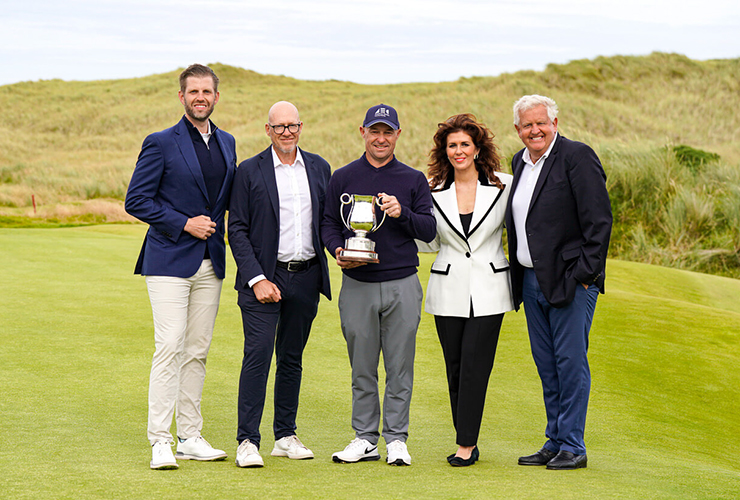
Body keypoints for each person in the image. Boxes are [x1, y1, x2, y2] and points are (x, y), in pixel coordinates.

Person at [125, 63, 236, 470]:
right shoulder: (160, 142)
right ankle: (160, 439)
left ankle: (189, 435)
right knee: (169, 346)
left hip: (211, 263)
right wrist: (183, 223)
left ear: (216, 97)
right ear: (182, 97)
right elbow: (136, 200)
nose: (200, 98)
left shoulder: (227, 143)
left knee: (197, 350)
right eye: (193, 92)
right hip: (169, 258)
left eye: (207, 92)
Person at [321, 104, 436, 466]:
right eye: (375, 131)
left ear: (398, 135)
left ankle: (396, 439)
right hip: (357, 283)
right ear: (363, 133)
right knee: (362, 367)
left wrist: (403, 214)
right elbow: (327, 223)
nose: (381, 138)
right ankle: (365, 437)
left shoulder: (413, 179)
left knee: (400, 366)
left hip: (402, 282)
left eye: (388, 132)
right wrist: (338, 249)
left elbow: (429, 230)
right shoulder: (343, 177)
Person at [505, 95, 612, 470]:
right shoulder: (520, 162)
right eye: (527, 125)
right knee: (547, 365)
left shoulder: (577, 157)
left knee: (570, 363)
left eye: (541, 123)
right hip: (531, 280)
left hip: (571, 281)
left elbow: (599, 222)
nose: (535, 130)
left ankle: (573, 446)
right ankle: (555, 440)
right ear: (517, 130)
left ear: (554, 123)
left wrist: (584, 277)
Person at [228, 101, 332, 468]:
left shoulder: (319, 167)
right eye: (280, 127)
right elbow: (236, 228)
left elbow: (328, 222)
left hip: (305, 276)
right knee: (258, 356)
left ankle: (285, 435)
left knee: (291, 358)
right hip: (263, 279)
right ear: (267, 129)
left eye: (293, 126)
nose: (287, 132)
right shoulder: (249, 171)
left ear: (300, 127)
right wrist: (257, 278)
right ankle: (247, 441)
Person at [417, 114, 515, 467]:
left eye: (465, 145)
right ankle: (466, 435)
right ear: (445, 151)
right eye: (452, 145)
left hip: (490, 288)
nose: (459, 151)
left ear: (477, 149)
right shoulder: (430, 189)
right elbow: (426, 242)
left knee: (476, 366)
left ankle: (465, 444)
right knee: (455, 367)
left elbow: (523, 228)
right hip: (447, 287)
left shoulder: (504, 185)